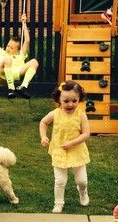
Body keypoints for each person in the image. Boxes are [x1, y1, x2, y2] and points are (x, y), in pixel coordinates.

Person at [39, 81, 91, 213]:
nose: (70, 104)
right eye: (66, 101)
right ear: (59, 99)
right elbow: (43, 123)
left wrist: (72, 143)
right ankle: (58, 203)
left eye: (74, 100)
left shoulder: (81, 115)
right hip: (59, 151)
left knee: (82, 180)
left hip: (77, 151)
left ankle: (83, 192)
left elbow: (86, 133)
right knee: (60, 180)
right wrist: (43, 137)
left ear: (79, 99)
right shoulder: (55, 113)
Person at [0, 13, 39, 99]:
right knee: (7, 59)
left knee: (34, 62)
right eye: (8, 46)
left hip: (16, 73)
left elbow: (27, 41)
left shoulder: (20, 55)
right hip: (0, 73)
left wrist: (24, 23)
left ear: (18, 50)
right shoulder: (1, 52)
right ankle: (11, 89)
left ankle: (23, 87)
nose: (8, 49)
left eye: (11, 48)